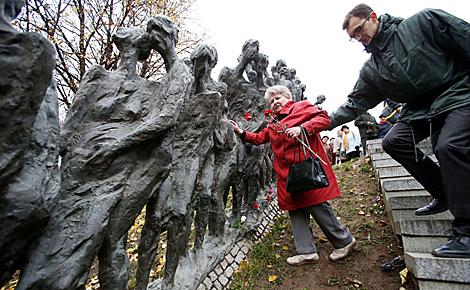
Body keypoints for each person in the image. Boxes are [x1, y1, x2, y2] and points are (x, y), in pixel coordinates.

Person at [330, 4, 470, 258]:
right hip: (423, 110)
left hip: (459, 93)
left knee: (448, 145)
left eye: (360, 30)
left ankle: (466, 232)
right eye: (354, 37)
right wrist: (314, 124)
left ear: (373, 17)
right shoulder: (373, 69)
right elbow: (354, 104)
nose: (359, 38)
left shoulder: (422, 22)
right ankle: (443, 191)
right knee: (394, 140)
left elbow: (464, 36)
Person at [229, 85, 356, 265]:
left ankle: (344, 241)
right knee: (295, 209)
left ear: (287, 97)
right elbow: (260, 138)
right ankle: (306, 252)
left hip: (305, 171)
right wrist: (241, 133)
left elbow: (324, 119)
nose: (274, 103)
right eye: (271, 101)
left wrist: (302, 129)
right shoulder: (273, 123)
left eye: (277, 98)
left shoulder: (301, 107)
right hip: (286, 175)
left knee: (317, 205)